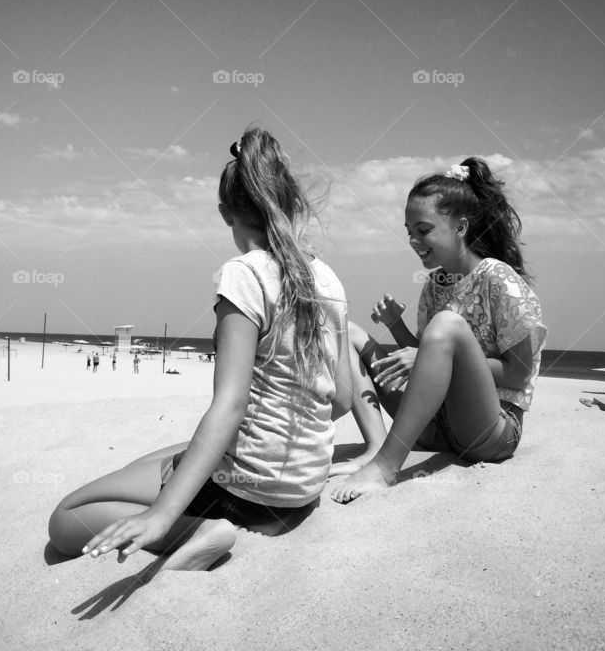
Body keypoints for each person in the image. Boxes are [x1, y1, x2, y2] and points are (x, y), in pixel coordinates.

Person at [48, 127, 352, 571]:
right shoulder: (329, 279)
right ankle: (187, 505)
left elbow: (230, 404)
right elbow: (342, 398)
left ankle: (198, 529)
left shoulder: (244, 274)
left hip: (245, 495)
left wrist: (162, 513)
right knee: (158, 457)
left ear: (225, 212)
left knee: (67, 516)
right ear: (289, 202)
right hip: (300, 493)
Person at [332, 157, 546, 503]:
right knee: (349, 332)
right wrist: (394, 326)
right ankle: (375, 447)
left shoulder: (498, 279)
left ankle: (387, 468)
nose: (414, 240)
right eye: (409, 232)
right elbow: (427, 357)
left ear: (460, 227)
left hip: (490, 430)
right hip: (438, 425)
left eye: (424, 229)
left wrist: (431, 355)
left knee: (447, 325)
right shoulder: (436, 284)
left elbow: (519, 376)